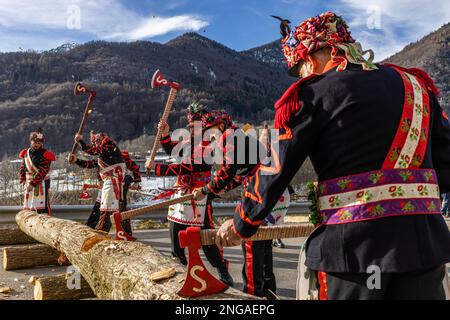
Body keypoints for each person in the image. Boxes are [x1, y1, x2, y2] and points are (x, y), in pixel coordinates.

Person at [215, 11, 450, 300]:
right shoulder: (417, 87)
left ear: (314, 57)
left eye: (300, 67)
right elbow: (447, 164)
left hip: (354, 251)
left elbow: (276, 167)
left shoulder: (313, 94)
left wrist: (241, 222)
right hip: (424, 246)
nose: (302, 74)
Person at [191, 112, 290, 298]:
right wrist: (211, 193)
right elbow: (235, 179)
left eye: (211, 133)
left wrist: (205, 190)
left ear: (221, 127)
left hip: (262, 194)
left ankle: (253, 296)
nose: (210, 138)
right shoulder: (239, 138)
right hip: (275, 194)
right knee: (263, 243)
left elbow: (226, 173)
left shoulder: (230, 137)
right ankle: (269, 294)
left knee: (251, 244)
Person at [146, 102, 234, 286]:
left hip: (200, 196)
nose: (192, 129)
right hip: (180, 194)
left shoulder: (210, 144)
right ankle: (182, 273)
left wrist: (161, 169)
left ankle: (222, 270)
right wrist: (164, 134)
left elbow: (195, 166)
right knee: (175, 237)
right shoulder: (187, 141)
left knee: (207, 239)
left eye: (195, 126)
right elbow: (173, 151)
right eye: (190, 126)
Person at [71, 131, 134, 235]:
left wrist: (80, 141)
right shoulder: (104, 153)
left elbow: (92, 151)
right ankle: (124, 233)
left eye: (96, 142)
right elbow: (91, 164)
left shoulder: (109, 146)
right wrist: (76, 160)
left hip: (113, 181)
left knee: (107, 208)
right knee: (110, 208)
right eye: (95, 143)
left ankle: (102, 232)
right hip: (110, 182)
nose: (95, 145)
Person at [19, 128, 56, 214]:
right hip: (29, 182)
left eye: (39, 143)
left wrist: (33, 184)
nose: (37, 144)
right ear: (30, 141)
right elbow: (23, 166)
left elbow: (43, 170)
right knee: (29, 204)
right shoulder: (26, 153)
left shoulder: (45, 154)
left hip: (41, 182)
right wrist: (23, 177)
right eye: (35, 142)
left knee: (41, 206)